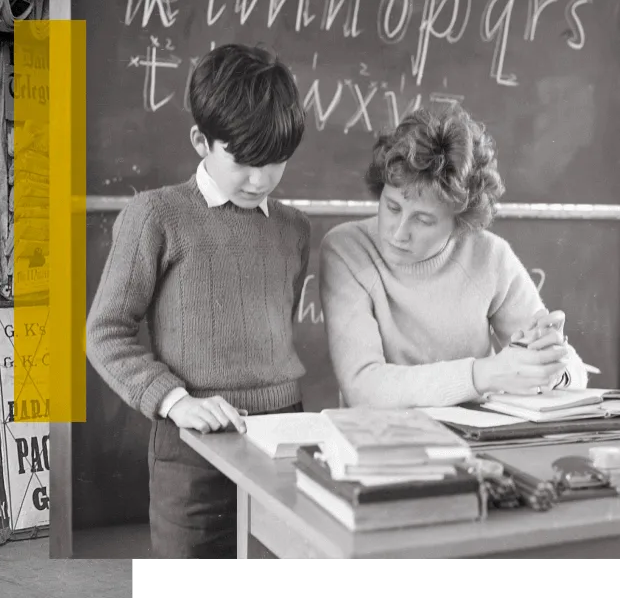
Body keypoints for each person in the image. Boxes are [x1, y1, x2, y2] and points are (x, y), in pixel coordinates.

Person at [86, 43, 311, 559]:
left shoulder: (294, 228)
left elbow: (279, 321)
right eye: (244, 160)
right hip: (192, 443)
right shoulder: (157, 215)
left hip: (285, 434)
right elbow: (106, 331)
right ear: (201, 140)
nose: (260, 180)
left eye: (276, 162)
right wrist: (176, 402)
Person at [319, 105, 589, 409]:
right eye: (392, 207)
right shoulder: (347, 249)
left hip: (477, 447)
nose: (398, 233)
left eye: (423, 220)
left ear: (459, 223)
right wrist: (482, 374)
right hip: (381, 443)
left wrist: (548, 363)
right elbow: (363, 389)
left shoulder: (490, 256)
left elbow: (576, 376)